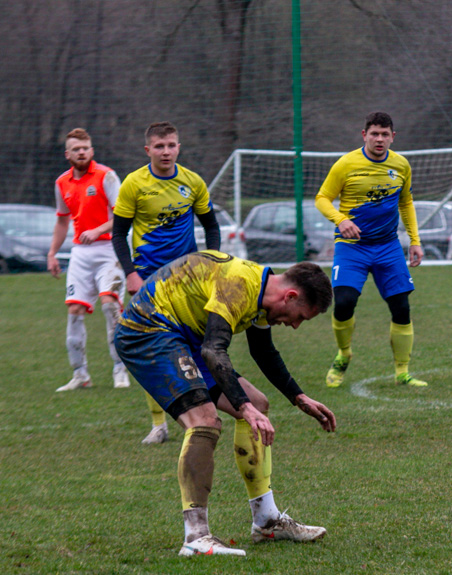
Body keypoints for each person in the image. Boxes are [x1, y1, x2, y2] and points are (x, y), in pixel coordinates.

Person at [114, 252, 336, 557]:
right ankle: (195, 537)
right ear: (291, 295)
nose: (295, 325)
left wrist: (298, 397)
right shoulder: (240, 285)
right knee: (204, 421)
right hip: (149, 329)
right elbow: (213, 351)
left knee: (258, 402)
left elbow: (263, 352)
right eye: (299, 317)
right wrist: (243, 407)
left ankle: (267, 520)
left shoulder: (261, 290)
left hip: (185, 337)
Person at [112, 121, 222, 445]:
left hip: (186, 277)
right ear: (148, 150)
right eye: (159, 146)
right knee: (154, 348)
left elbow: (211, 226)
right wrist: (131, 273)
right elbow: (119, 233)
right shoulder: (134, 184)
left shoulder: (193, 182)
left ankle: (203, 411)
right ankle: (158, 424)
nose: (166, 151)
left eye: (171, 145)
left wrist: (212, 261)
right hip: (147, 276)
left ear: (179, 147)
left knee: (194, 344)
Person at [315, 111, 427, 388]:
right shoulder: (346, 164)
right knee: (343, 303)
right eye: (374, 133)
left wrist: (415, 240)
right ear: (364, 135)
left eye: (385, 134)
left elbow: (406, 203)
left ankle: (402, 372)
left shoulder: (401, 165)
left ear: (392, 137)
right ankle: (343, 355)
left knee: (401, 307)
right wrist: (340, 220)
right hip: (352, 248)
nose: (379, 139)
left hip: (388, 247)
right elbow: (322, 198)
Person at [49, 128, 129, 392]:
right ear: (67, 154)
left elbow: (124, 215)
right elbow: (62, 221)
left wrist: (97, 230)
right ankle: (80, 375)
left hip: (110, 250)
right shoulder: (62, 182)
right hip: (81, 254)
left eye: (85, 148)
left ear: (92, 151)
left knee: (110, 305)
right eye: (76, 149)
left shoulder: (107, 176)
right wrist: (52, 253)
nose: (81, 152)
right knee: (74, 311)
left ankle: (120, 369)